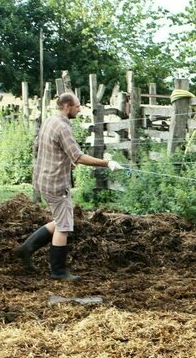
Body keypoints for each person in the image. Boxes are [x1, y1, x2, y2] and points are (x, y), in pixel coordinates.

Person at [15, 92, 123, 281]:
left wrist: (67, 161)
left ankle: (26, 248)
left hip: (44, 178)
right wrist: (107, 163)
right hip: (56, 182)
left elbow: (53, 148)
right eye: (77, 106)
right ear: (67, 106)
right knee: (63, 227)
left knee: (60, 220)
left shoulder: (50, 120)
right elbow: (78, 156)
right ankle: (59, 272)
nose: (80, 109)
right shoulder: (63, 127)